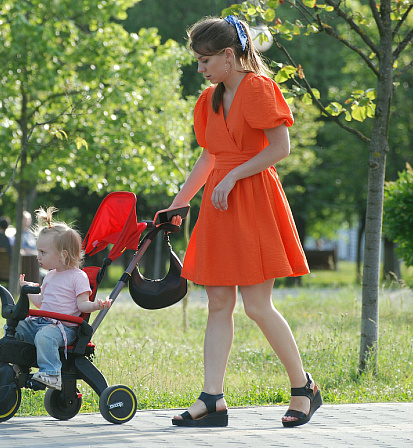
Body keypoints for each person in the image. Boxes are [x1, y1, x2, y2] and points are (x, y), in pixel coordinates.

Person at [158, 16, 321, 428]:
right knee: (217, 303)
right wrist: (178, 203)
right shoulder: (211, 99)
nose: (200, 68)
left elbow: (279, 148)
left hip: (251, 199)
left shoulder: (258, 89)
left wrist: (233, 176)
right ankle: (212, 399)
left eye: (205, 60)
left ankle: (304, 388)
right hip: (219, 202)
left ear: (229, 56)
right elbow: (210, 155)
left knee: (257, 306)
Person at [15, 206, 111, 390]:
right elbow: (43, 303)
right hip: (42, 321)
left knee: (45, 336)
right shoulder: (50, 275)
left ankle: (51, 374)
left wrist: (96, 305)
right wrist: (28, 290)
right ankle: (19, 365)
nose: (38, 256)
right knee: (18, 326)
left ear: (63, 255)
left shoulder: (78, 277)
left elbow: (82, 305)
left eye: (43, 252)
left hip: (63, 329)